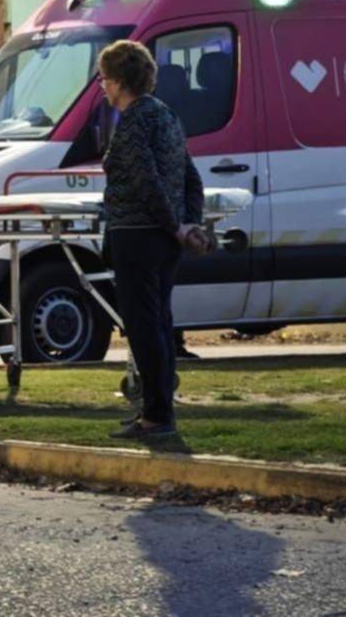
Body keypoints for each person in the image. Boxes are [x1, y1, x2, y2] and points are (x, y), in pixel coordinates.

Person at [98, 40, 204, 441]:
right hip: (164, 241)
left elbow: (145, 180)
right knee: (160, 322)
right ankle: (159, 409)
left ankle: (156, 416)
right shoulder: (167, 116)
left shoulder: (134, 121)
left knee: (144, 328)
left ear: (121, 81)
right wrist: (187, 223)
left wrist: (173, 224)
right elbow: (190, 176)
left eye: (105, 80)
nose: (103, 88)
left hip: (138, 236)